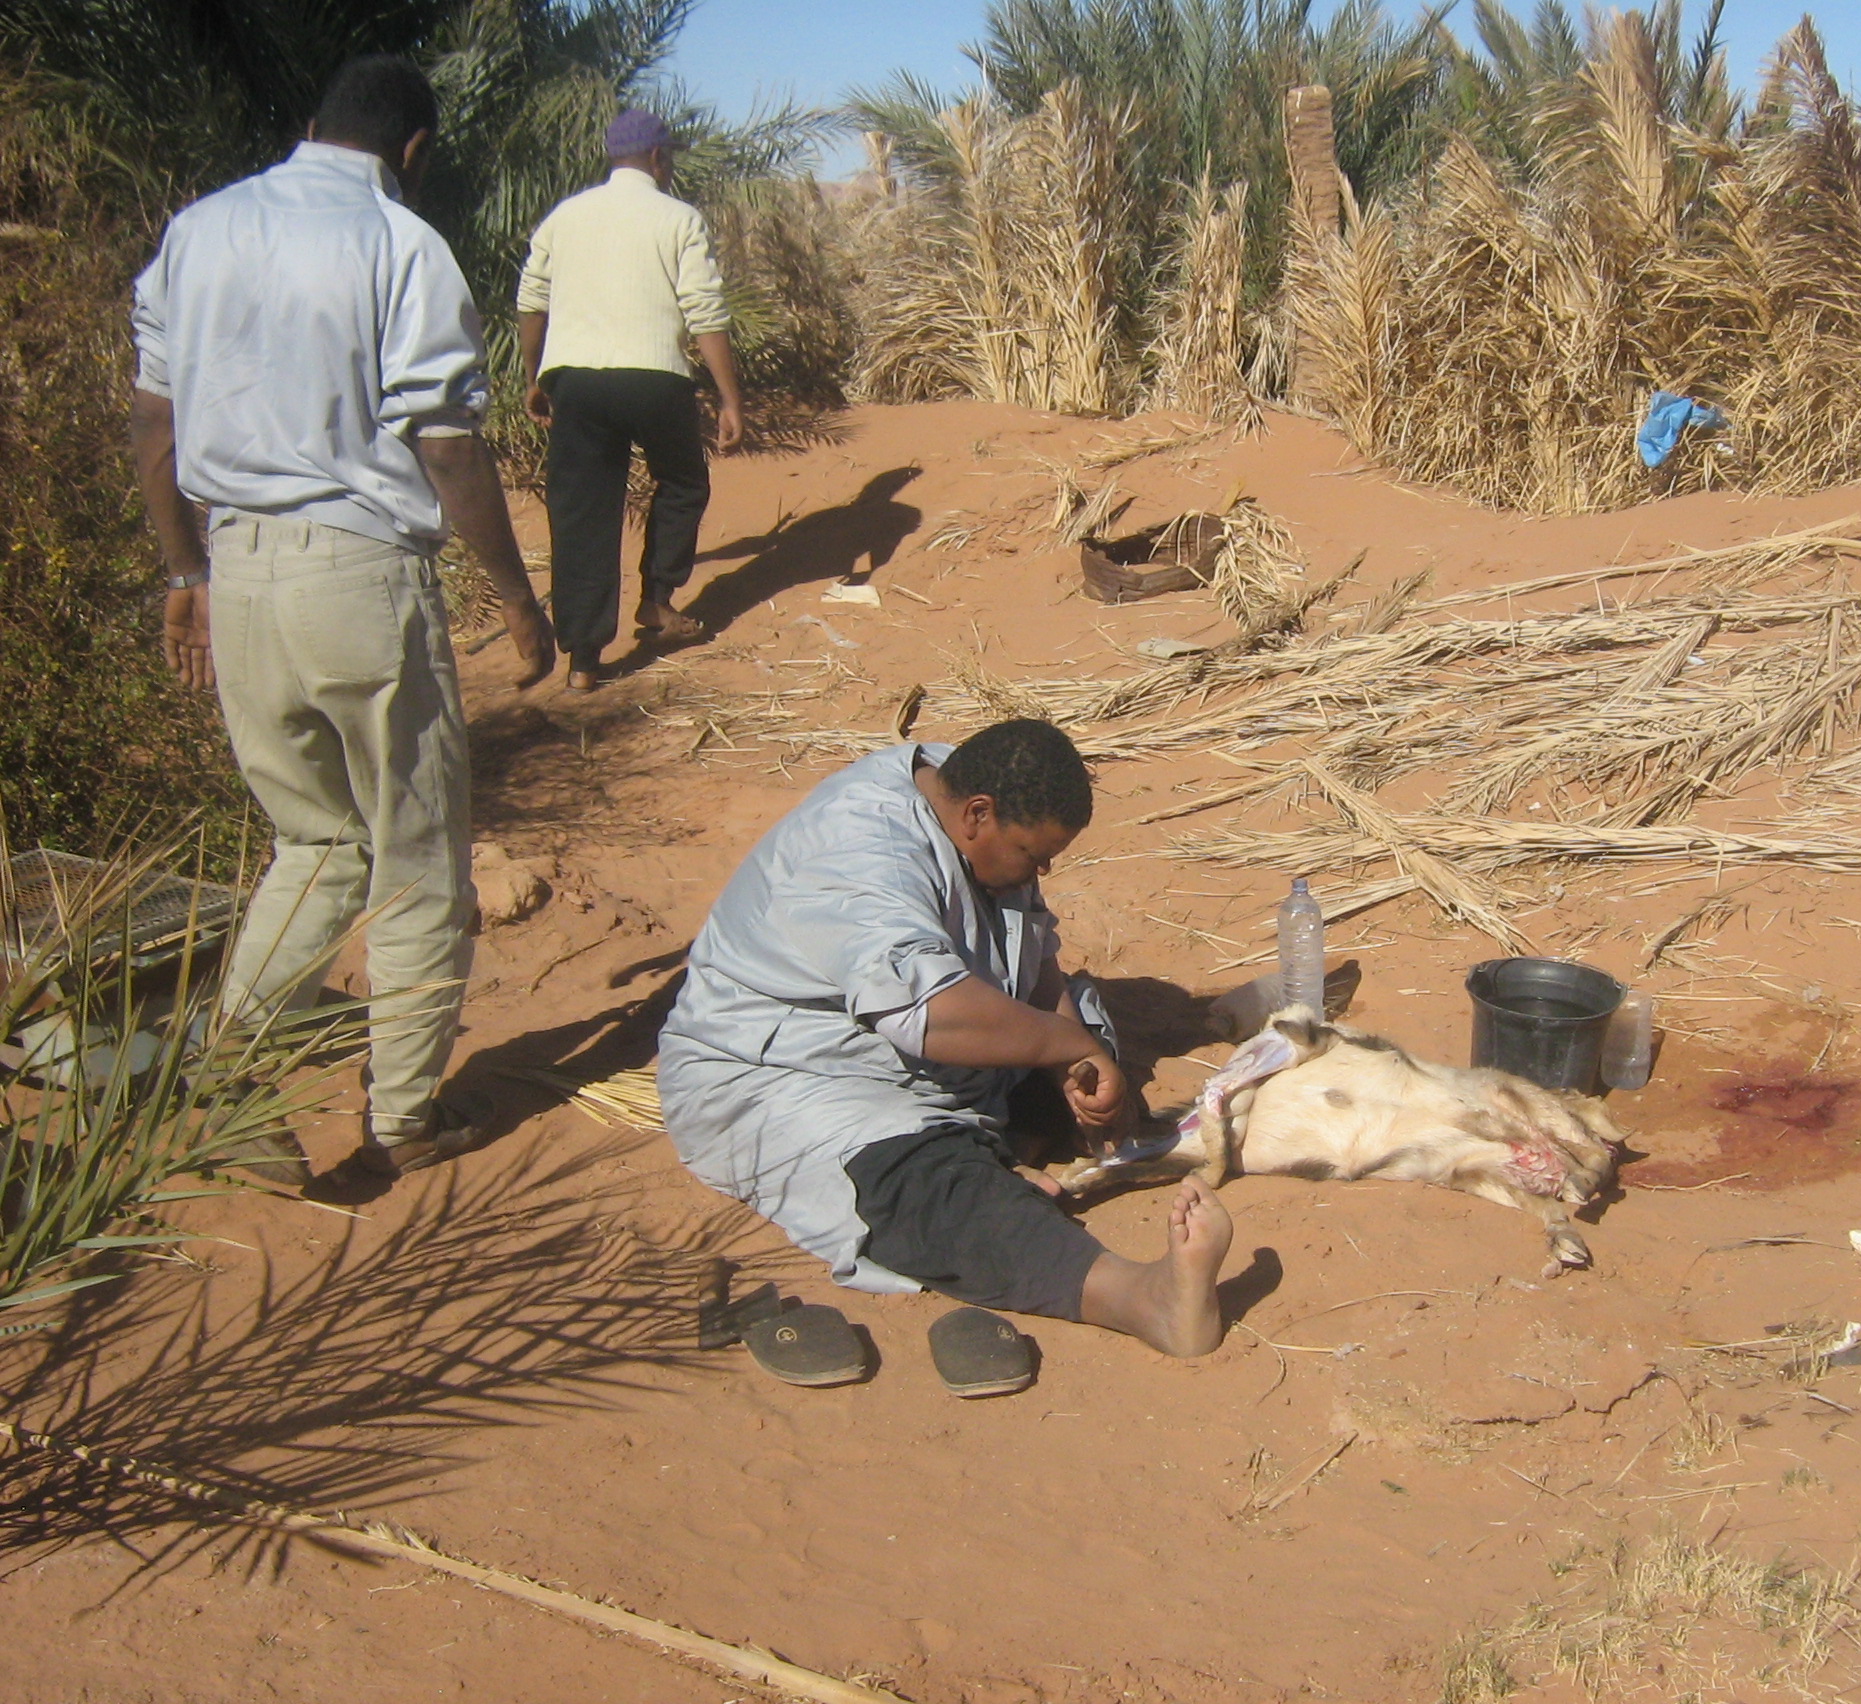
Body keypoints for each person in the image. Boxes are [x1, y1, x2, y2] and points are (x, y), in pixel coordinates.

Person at [130, 55, 555, 1183]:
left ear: (310, 124)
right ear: (412, 151)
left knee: (314, 845)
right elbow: (447, 442)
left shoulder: (198, 231)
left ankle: (226, 1089)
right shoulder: (401, 245)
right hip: (358, 572)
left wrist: (183, 575)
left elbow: (153, 425)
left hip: (239, 571)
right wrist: (517, 597)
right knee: (419, 857)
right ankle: (405, 1115)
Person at [658, 719, 1233, 1393]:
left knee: (1086, 1059)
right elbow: (929, 1014)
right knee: (921, 1187)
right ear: (977, 816)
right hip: (782, 1075)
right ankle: (1141, 1298)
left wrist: (1068, 1063)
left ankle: (996, 1150)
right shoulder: (860, 854)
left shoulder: (964, 796)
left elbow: (1032, 963)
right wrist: (1063, 1043)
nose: (1040, 872)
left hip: (925, 1057)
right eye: (1031, 855)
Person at [515, 108, 745, 693]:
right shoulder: (678, 218)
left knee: (582, 510)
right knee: (684, 482)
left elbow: (532, 301)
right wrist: (729, 398)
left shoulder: (565, 217)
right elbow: (705, 311)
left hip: (578, 379)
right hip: (654, 378)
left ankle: (585, 659)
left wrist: (535, 375)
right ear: (659, 158)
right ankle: (658, 601)